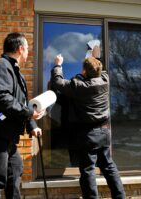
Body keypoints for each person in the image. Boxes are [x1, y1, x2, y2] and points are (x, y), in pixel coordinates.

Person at [0, 32, 43, 199]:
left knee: (14, 173)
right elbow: (1, 97)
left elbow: (21, 103)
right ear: (20, 49)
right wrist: (29, 112)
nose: (28, 53)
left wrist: (31, 125)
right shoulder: (1, 66)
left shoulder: (15, 72)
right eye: (27, 49)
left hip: (6, 135)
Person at [50, 52, 126, 199]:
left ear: (84, 71)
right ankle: (120, 196)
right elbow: (99, 70)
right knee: (109, 166)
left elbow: (57, 82)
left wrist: (58, 65)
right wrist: (94, 58)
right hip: (104, 132)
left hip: (88, 135)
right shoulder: (105, 80)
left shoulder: (79, 86)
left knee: (88, 170)